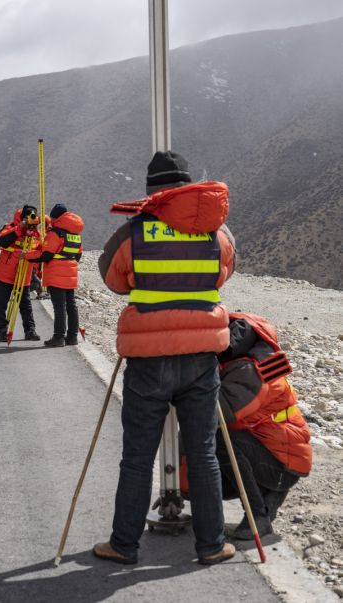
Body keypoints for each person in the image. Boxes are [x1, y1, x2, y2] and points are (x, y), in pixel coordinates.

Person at [94, 150, 237, 565]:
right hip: (200, 359)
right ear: (188, 185)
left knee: (137, 456)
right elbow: (224, 273)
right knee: (204, 453)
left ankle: (124, 545)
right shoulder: (218, 232)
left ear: (152, 191)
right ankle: (211, 545)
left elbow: (112, 280)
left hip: (148, 359)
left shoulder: (134, 232)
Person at [180, 312, 312, 539]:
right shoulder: (241, 361)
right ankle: (261, 499)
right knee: (198, 452)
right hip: (268, 450)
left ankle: (259, 515)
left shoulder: (251, 370)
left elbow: (219, 413)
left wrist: (187, 382)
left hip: (283, 462)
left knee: (219, 437)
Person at [28, 204, 83, 347]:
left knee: (60, 307)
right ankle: (72, 337)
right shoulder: (75, 235)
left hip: (56, 274)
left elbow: (45, 255)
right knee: (71, 306)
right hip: (70, 274)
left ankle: (58, 337)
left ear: (56, 217)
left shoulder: (55, 233)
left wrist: (27, 256)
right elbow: (78, 255)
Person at [0, 205, 43, 342]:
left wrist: (28, 255)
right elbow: (2, 240)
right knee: (1, 304)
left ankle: (30, 331)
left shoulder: (36, 234)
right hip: (6, 273)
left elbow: (41, 251)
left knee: (26, 305)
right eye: (28, 217)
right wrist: (20, 227)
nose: (30, 220)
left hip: (24, 275)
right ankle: (2, 331)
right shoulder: (11, 227)